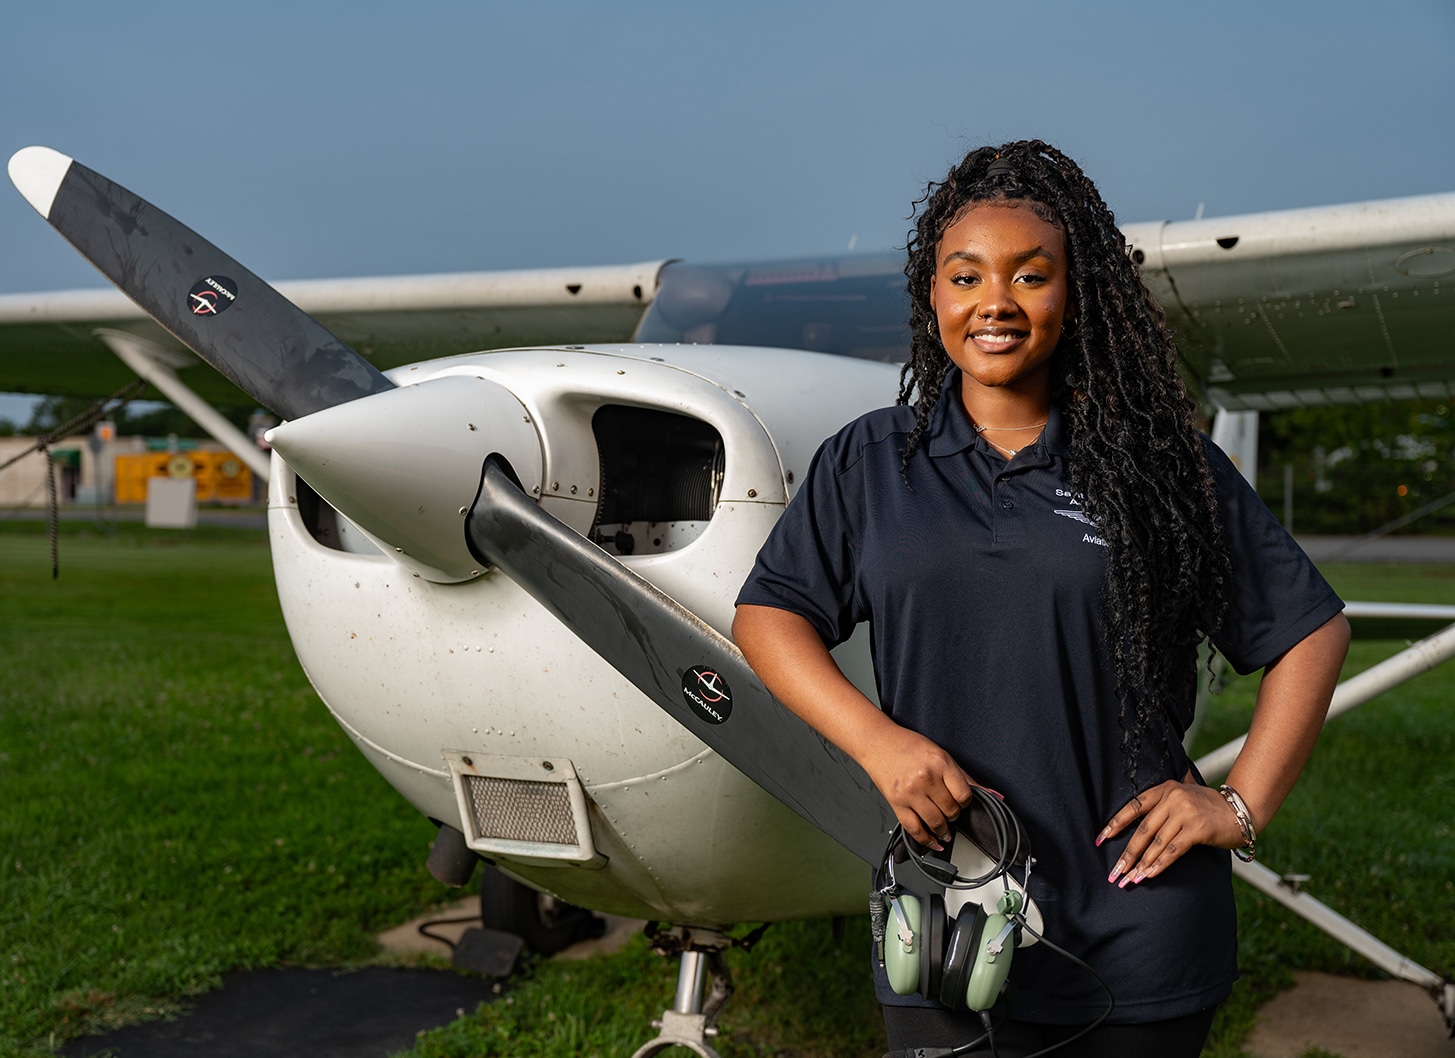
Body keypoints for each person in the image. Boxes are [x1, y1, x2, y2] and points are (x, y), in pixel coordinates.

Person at [732, 140, 1350, 1057]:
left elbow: (1311, 631)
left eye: (1029, 276)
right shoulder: (869, 461)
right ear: (931, 295)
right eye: (964, 275)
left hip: (1137, 928)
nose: (994, 303)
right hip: (943, 921)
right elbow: (769, 614)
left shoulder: (1162, 467)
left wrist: (1239, 805)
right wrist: (881, 745)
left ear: (1076, 293)